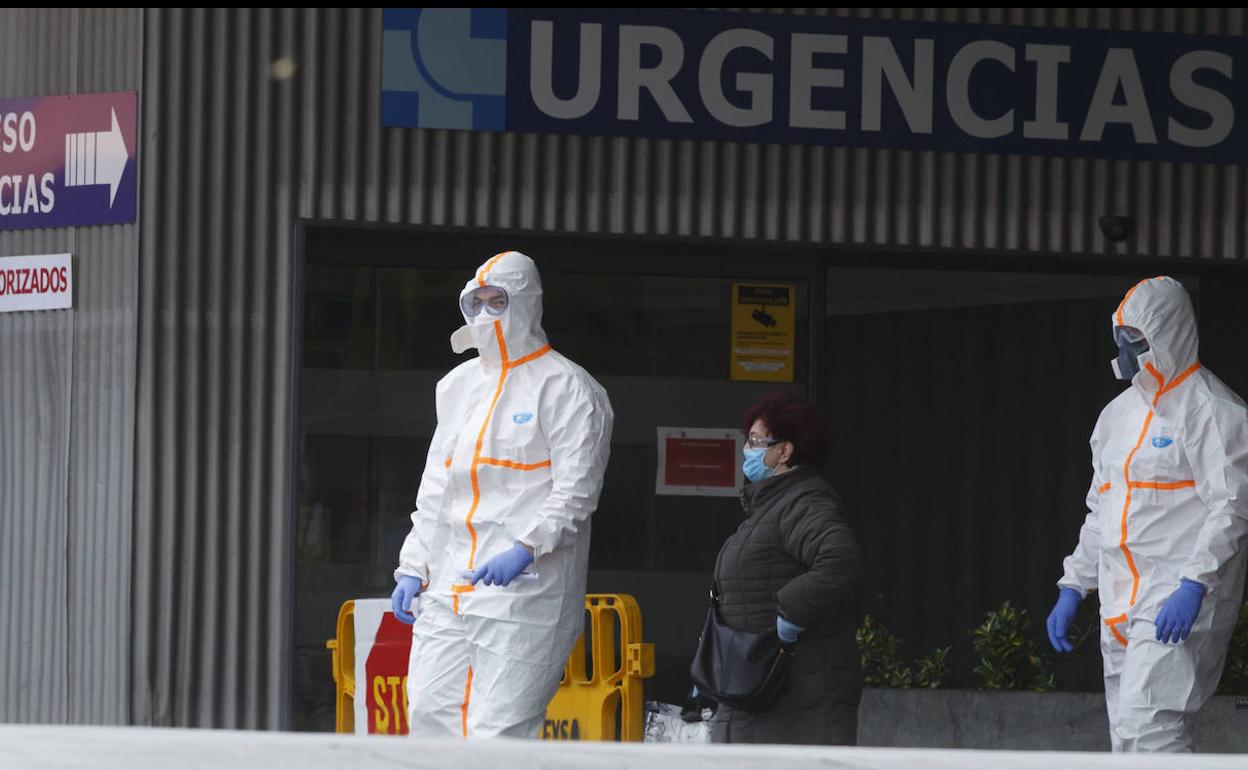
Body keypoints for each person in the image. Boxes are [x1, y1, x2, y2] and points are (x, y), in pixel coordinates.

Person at [390, 250, 614, 738]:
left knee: (500, 733)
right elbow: (435, 488)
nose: (487, 315)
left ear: (527, 303)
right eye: (477, 303)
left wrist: (526, 547)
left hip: (527, 590)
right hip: (450, 581)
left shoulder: (570, 389)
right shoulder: (458, 385)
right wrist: (414, 565)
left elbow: (577, 491)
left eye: (499, 301)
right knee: (429, 712)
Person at [1047, 276, 1248, 752]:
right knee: (1127, 740)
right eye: (1122, 336)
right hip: (1119, 602)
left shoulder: (1214, 412)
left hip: (1176, 600)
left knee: (1151, 731)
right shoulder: (1117, 417)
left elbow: (1232, 507)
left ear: (1170, 334)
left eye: (1137, 339)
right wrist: (1075, 584)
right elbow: (1101, 508)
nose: (1126, 348)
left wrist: (1194, 584)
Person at [708, 390, 864, 745]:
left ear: (784, 451)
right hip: (763, 685)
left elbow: (840, 559)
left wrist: (790, 614)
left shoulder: (803, 501)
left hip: (795, 690)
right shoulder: (773, 504)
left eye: (755, 441)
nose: (746, 450)